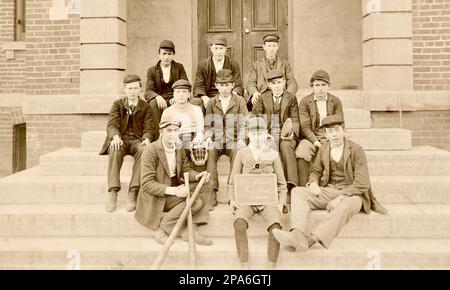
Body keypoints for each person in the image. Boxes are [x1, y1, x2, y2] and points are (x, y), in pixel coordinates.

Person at [272, 115, 387, 252]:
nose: (334, 135)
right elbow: (315, 170)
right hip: (330, 190)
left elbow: (362, 183)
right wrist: (313, 182)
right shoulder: (324, 148)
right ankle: (296, 234)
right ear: (325, 134)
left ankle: (310, 240)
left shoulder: (356, 150)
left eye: (337, 130)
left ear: (344, 130)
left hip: (353, 195)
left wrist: (341, 197)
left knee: (345, 206)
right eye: (330, 131)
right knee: (298, 192)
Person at [134, 114, 213, 246]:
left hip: (174, 190)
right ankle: (163, 227)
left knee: (206, 184)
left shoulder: (178, 148)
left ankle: (191, 228)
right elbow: (147, 184)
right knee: (195, 203)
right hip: (157, 195)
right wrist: (175, 191)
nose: (173, 134)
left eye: (176, 131)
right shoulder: (150, 150)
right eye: (169, 131)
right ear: (161, 132)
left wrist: (197, 176)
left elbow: (185, 170)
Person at [228, 116, 287, 270]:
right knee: (239, 223)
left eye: (260, 133)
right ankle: (244, 263)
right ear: (248, 135)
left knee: (276, 225)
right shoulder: (241, 154)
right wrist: (232, 200)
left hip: (268, 200)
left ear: (266, 134)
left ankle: (271, 264)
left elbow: (282, 184)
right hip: (246, 200)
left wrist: (281, 203)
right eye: (253, 134)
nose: (257, 137)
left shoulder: (273, 154)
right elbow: (232, 181)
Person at [99, 74, 155, 213]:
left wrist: (147, 138)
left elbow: (150, 127)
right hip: (121, 139)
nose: (133, 91)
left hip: (137, 140)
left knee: (145, 151)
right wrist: (115, 137)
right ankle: (113, 191)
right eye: (130, 88)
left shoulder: (146, 107)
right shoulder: (117, 104)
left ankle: (133, 191)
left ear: (140, 89)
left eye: (136, 88)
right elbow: (112, 125)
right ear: (124, 89)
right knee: (115, 149)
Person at [204, 69, 248, 210]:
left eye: (227, 85)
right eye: (221, 85)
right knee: (210, 152)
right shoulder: (211, 102)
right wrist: (208, 137)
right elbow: (207, 124)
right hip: (217, 139)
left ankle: (232, 192)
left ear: (232, 85)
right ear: (216, 85)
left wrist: (242, 138)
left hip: (233, 139)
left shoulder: (239, 101)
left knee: (238, 152)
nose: (224, 88)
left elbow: (244, 122)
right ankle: (212, 192)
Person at [252, 69, 300, 195]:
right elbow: (255, 118)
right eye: (273, 84)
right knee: (269, 146)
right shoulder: (263, 98)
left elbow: (295, 119)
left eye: (279, 82)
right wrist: (263, 134)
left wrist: (292, 133)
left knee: (286, 146)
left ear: (284, 82)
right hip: (268, 133)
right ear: (269, 85)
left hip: (286, 135)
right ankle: (271, 184)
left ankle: (291, 185)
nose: (277, 86)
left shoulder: (291, 98)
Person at [296, 70, 344, 187]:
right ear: (312, 87)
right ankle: (303, 187)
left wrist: (331, 139)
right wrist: (316, 142)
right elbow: (305, 127)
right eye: (317, 85)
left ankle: (332, 185)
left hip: (330, 136)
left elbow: (339, 123)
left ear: (329, 86)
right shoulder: (305, 102)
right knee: (302, 150)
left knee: (336, 151)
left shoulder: (335, 101)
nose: (320, 88)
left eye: (323, 85)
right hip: (311, 136)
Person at [144, 40, 188, 139]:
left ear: (173, 55)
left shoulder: (179, 67)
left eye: (169, 54)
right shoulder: (152, 70)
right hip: (160, 100)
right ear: (159, 54)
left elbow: (185, 84)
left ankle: (182, 135)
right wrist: (157, 96)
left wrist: (177, 97)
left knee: (185, 102)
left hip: (175, 98)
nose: (166, 57)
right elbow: (148, 91)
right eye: (164, 54)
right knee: (153, 103)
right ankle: (158, 136)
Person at [192, 35, 243, 112]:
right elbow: (199, 85)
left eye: (221, 48)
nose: (218, 52)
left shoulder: (233, 64)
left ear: (225, 49)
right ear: (211, 48)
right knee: (196, 102)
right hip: (209, 95)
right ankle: (201, 123)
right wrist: (204, 97)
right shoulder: (203, 65)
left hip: (227, 94)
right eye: (216, 48)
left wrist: (232, 96)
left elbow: (238, 84)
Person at [247, 33, 298, 110]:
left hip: (280, 95)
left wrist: (287, 95)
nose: (271, 49)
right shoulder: (257, 65)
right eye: (269, 46)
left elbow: (292, 82)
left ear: (277, 47)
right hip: (262, 95)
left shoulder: (284, 64)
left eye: (274, 46)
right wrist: (254, 93)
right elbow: (251, 83)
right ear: (264, 47)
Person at [160, 79, 204, 150]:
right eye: (178, 92)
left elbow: (200, 131)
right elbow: (164, 133)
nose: (181, 95)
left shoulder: (197, 110)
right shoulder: (167, 111)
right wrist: (174, 140)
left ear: (189, 94)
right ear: (173, 94)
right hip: (175, 141)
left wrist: (196, 141)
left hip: (193, 141)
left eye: (184, 91)